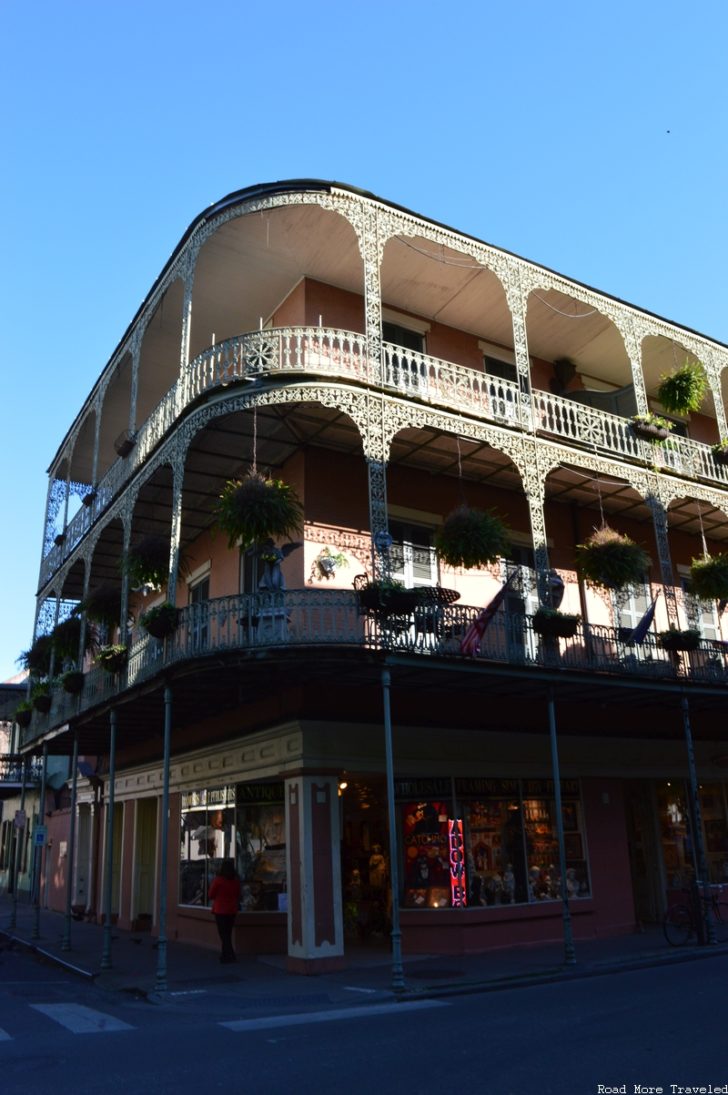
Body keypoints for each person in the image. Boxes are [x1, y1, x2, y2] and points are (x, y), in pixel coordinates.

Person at [208, 860, 241, 963]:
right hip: (231, 910)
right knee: (228, 933)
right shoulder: (235, 881)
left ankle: (230, 955)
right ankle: (224, 955)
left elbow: (211, 895)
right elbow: (238, 894)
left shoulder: (218, 880)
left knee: (224, 935)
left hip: (220, 910)